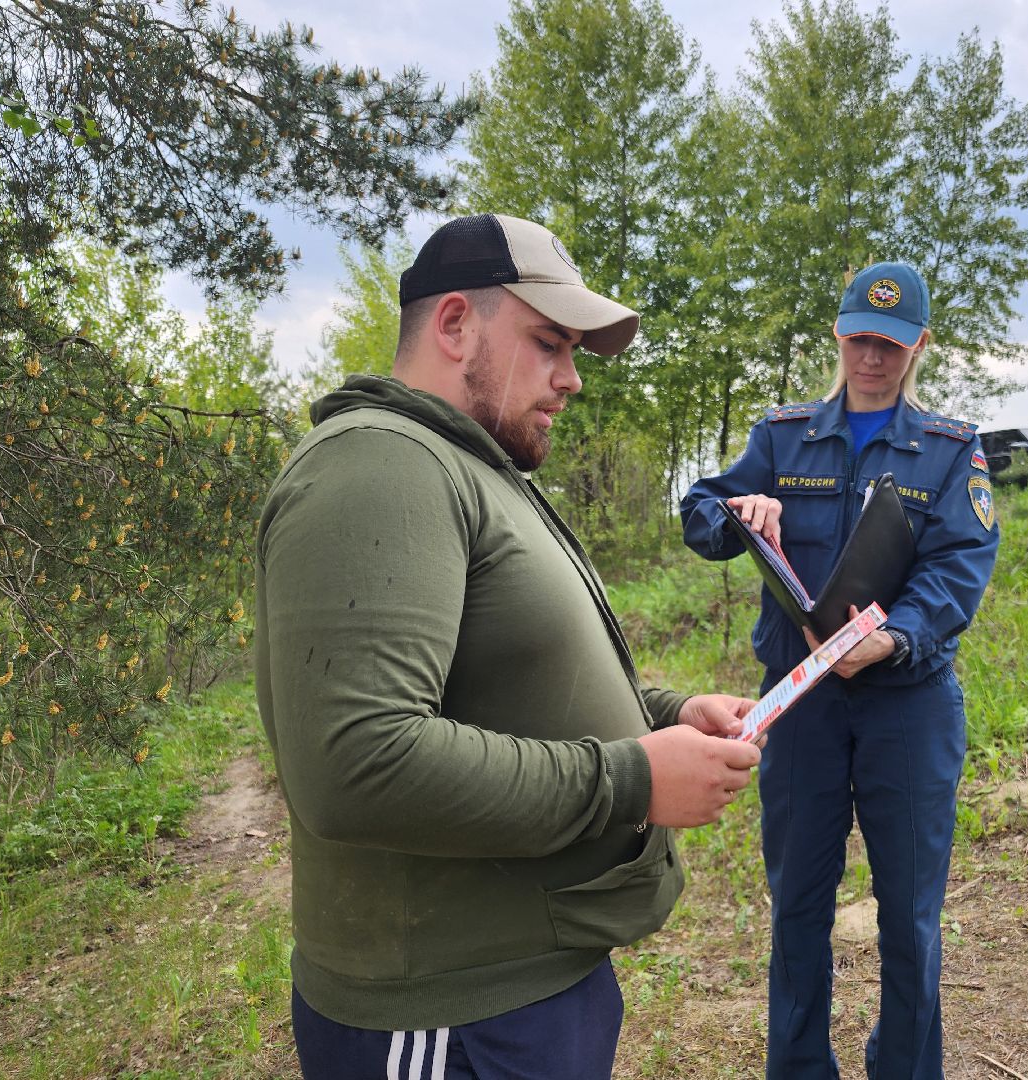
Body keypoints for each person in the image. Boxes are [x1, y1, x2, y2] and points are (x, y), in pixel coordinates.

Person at [254, 213, 763, 1080]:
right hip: (447, 1017)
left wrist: (668, 716)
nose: (571, 379)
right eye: (549, 343)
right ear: (456, 324)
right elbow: (356, 763)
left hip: (528, 987)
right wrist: (634, 778)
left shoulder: (470, 465)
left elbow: (508, 677)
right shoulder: (379, 467)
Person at [680, 261, 999, 1079]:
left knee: (910, 915)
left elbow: (959, 565)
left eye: (891, 344)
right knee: (797, 905)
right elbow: (701, 511)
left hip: (908, 707)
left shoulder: (949, 451)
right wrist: (740, 512)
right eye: (860, 339)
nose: (873, 358)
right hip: (802, 707)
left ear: (919, 346)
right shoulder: (783, 438)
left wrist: (895, 639)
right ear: (839, 336)